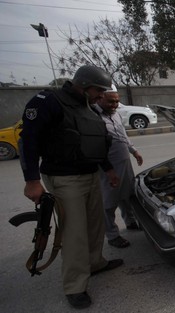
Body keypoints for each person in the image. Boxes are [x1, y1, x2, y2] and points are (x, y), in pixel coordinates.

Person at [19, 65, 123, 309]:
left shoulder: (89, 107)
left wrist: (108, 169)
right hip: (64, 179)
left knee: (95, 226)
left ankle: (95, 263)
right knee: (75, 233)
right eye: (99, 90)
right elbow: (28, 141)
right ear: (84, 84)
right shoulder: (49, 101)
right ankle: (75, 286)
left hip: (90, 175)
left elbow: (97, 142)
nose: (101, 96)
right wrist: (32, 181)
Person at [93, 84, 143, 249]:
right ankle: (113, 235)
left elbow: (123, 135)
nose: (114, 105)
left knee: (127, 195)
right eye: (111, 102)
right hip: (107, 168)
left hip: (124, 162)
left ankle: (130, 221)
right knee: (109, 202)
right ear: (100, 98)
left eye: (117, 101)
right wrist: (109, 170)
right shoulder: (92, 117)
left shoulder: (115, 115)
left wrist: (134, 151)